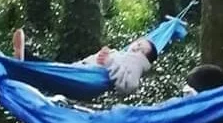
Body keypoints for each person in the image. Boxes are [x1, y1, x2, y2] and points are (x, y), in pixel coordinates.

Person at [11, 27, 159, 94]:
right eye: (138, 44)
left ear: (144, 58)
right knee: (52, 69)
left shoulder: (136, 63)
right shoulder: (125, 56)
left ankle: (24, 62)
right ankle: (24, 61)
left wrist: (109, 60)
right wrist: (106, 56)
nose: (137, 48)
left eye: (142, 49)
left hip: (89, 78)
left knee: (51, 70)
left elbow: (129, 86)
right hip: (82, 71)